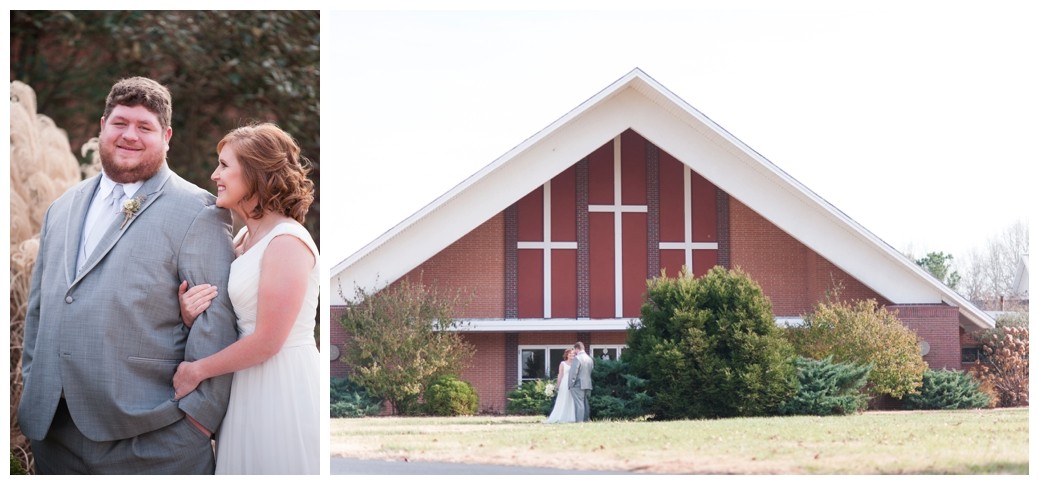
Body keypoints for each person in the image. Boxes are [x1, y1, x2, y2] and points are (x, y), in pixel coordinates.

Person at [18, 77, 237, 474]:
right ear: (102, 126)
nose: (129, 136)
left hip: (152, 438)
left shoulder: (198, 211)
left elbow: (216, 323)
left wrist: (197, 421)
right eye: (120, 123)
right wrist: (34, 384)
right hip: (53, 434)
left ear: (166, 136)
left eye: (144, 127)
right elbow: (39, 310)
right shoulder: (62, 208)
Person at [173, 122, 319, 474]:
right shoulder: (242, 241)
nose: (214, 175)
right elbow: (232, 312)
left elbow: (269, 340)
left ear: (254, 173)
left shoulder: (287, 242)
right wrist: (191, 314)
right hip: (244, 382)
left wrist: (196, 371)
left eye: (224, 165)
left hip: (281, 383)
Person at [544, 349, 577, 424]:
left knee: (571, 399)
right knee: (563, 398)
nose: (572, 355)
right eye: (570, 354)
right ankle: (560, 416)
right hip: (565, 383)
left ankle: (571, 417)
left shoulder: (575, 363)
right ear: (567, 355)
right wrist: (558, 385)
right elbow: (560, 375)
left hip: (573, 383)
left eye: (573, 354)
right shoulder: (563, 363)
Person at [569, 341, 594, 422]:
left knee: (579, 403)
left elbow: (573, 373)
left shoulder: (577, 358)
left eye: (575, 350)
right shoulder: (589, 359)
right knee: (585, 403)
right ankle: (586, 419)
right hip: (588, 384)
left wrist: (571, 384)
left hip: (578, 384)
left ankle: (579, 421)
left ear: (577, 348)